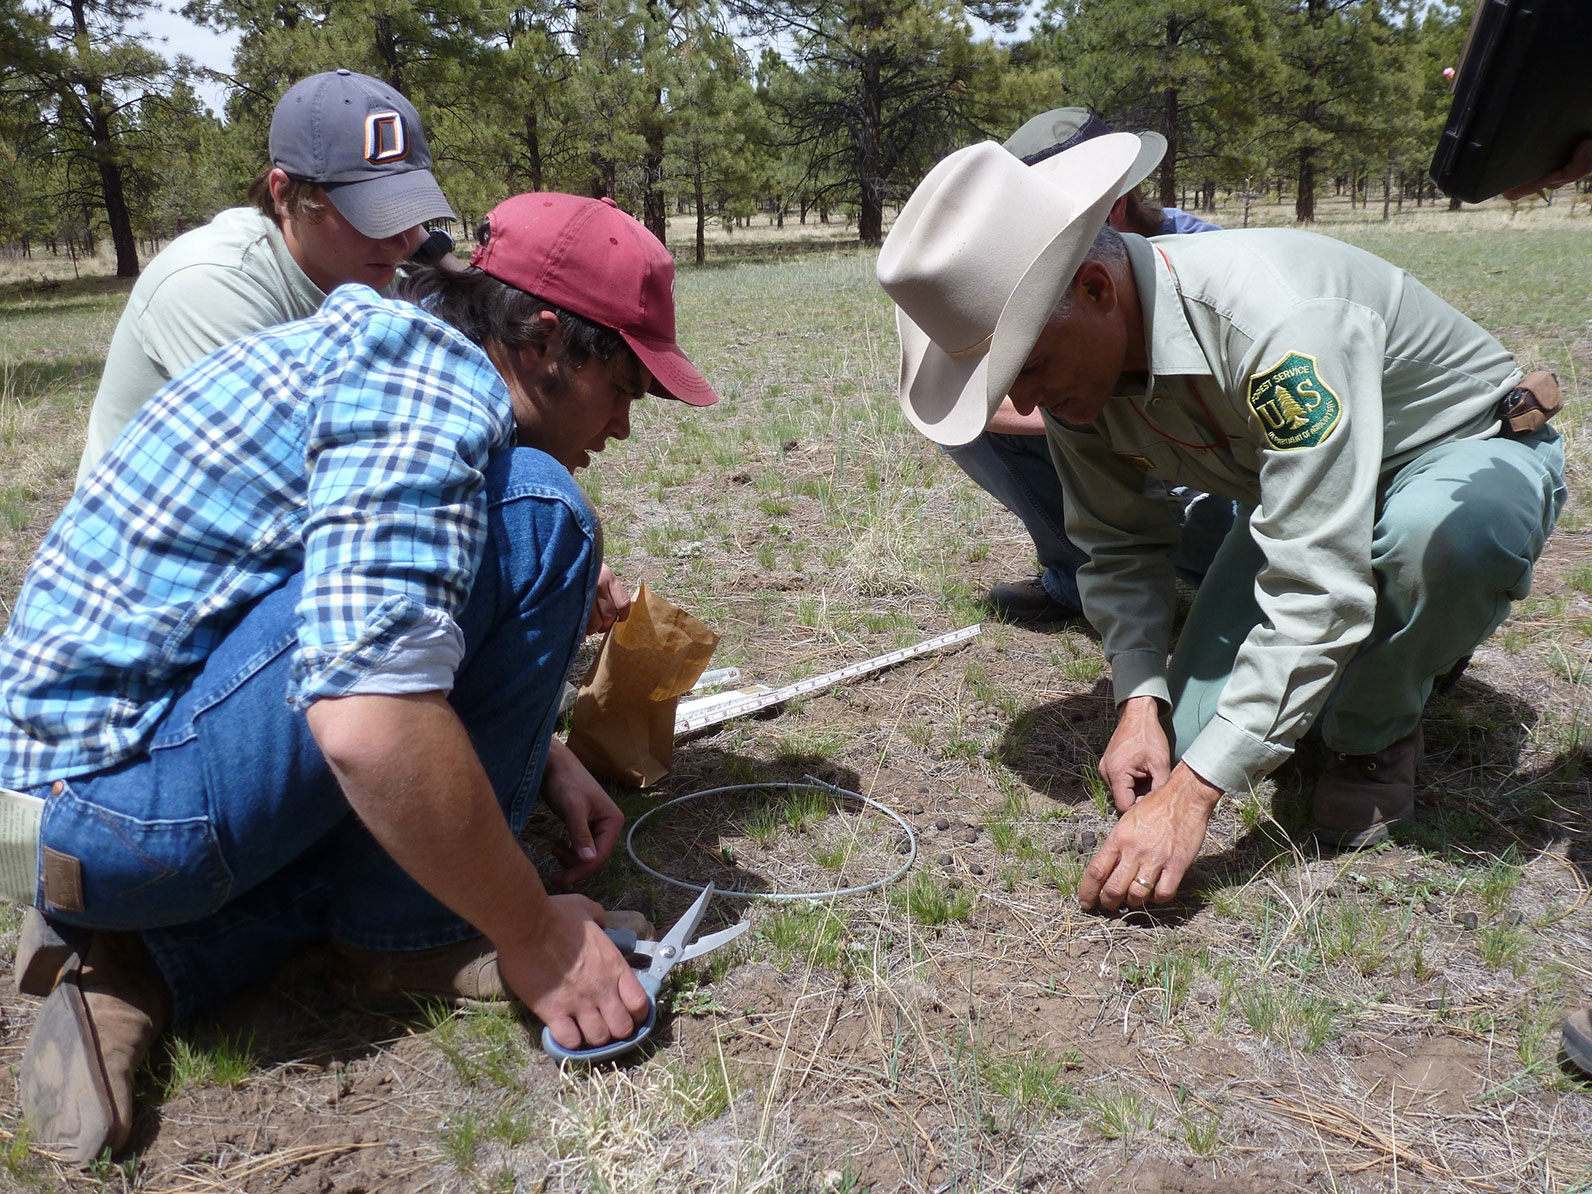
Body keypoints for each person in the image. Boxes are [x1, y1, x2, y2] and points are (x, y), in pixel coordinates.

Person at [1, 190, 719, 1162]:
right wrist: (533, 934)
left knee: (514, 532)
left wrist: (541, 752)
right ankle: (405, 933)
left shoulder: (397, 356)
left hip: (80, 800)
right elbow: (365, 718)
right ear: (546, 339)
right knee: (541, 516)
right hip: (107, 808)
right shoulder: (428, 389)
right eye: (626, 387)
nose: (625, 427)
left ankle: (151, 959)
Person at [878, 138, 1565, 912]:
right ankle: (1382, 647)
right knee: (1197, 727)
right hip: (1306, 496)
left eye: (1027, 370)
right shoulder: (1083, 369)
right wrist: (1139, 700)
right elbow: (1119, 543)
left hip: (1456, 456)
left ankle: (1378, 727)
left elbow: (1317, 585)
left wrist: (1195, 798)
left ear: (1100, 289)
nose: (1027, 405)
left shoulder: (1278, 326)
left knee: (1442, 538)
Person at [75, 68, 455, 483]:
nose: (399, 240)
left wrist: (437, 257)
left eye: (408, 208)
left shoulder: (365, 263)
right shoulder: (211, 283)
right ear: (284, 195)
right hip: (157, 536)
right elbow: (289, 473)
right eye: (371, 214)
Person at [942, 108, 1229, 623]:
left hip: (1206, 472)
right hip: (1133, 443)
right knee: (967, 421)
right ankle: (1078, 577)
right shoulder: (1064, 283)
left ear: (1112, 207)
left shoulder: (1208, 265)